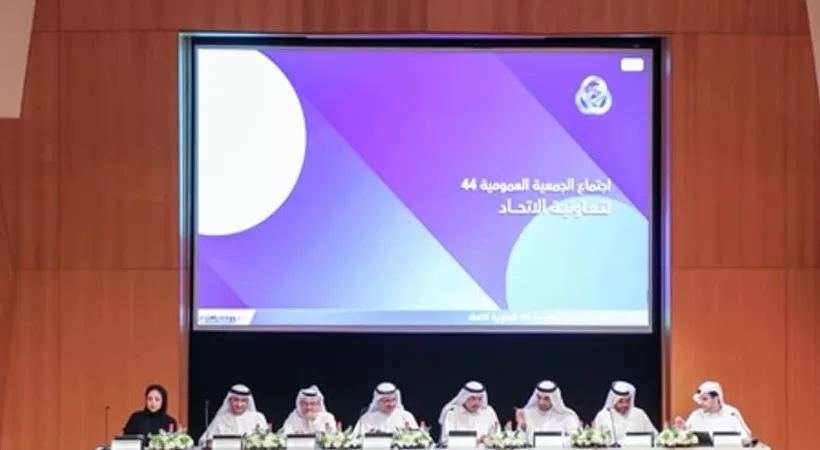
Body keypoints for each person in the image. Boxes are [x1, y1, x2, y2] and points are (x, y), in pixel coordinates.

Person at [674, 381, 751, 439]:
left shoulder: (732, 413)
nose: (701, 403)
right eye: (700, 399)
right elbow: (686, 437)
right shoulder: (696, 415)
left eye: (705, 399)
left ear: (716, 398)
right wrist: (683, 428)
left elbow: (746, 436)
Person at [199, 384, 268, 445]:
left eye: (243, 401)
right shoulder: (220, 420)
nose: (239, 405)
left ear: (248, 402)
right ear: (229, 400)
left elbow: (267, 442)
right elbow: (203, 442)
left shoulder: (258, 418)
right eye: (236, 400)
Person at [592, 381, 657, 443]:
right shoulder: (602, 416)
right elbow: (597, 441)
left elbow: (654, 435)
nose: (625, 405)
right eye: (621, 401)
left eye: (628, 401)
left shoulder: (639, 414)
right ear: (614, 401)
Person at [515, 380, 580, 440]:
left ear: (554, 399)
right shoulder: (526, 415)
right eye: (539, 397)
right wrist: (523, 427)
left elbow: (574, 440)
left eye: (546, 398)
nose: (541, 402)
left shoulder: (567, 417)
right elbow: (519, 441)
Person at [354, 382, 418, 434]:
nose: (391, 404)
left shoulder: (406, 416)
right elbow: (357, 439)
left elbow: (417, 438)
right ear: (377, 401)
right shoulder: (367, 419)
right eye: (386, 401)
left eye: (393, 400)